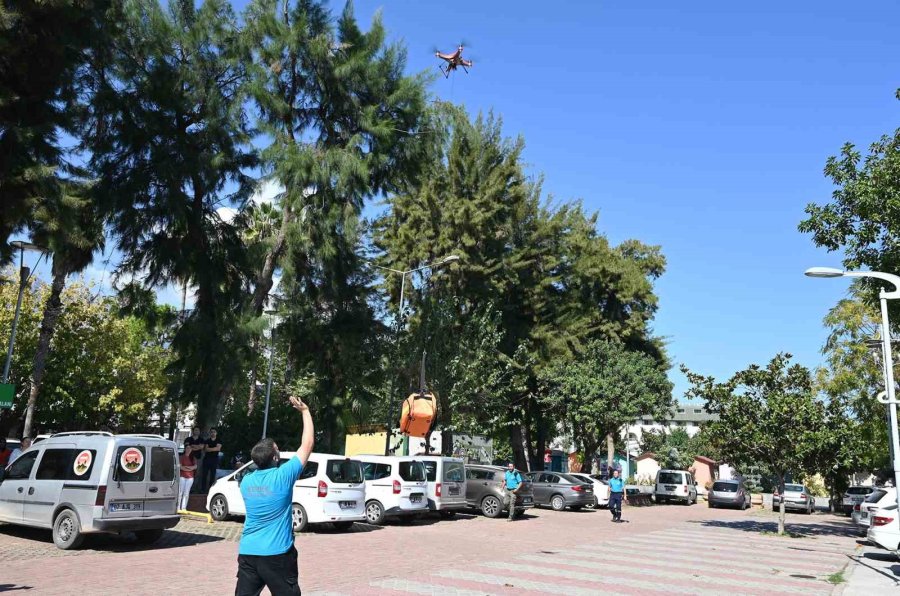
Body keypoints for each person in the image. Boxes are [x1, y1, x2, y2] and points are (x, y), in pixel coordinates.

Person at [236, 396, 313, 596]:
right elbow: (307, 444)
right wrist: (305, 411)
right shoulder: (283, 476)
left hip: (248, 552)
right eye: (277, 449)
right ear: (275, 457)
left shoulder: (246, 482)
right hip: (277, 554)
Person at [201, 428, 222, 492]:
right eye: (211, 432)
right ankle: (203, 489)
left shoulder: (219, 440)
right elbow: (206, 449)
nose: (213, 433)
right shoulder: (207, 441)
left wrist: (210, 449)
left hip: (214, 460)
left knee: (213, 475)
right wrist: (214, 448)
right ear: (210, 433)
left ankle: (211, 489)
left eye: (214, 432)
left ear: (216, 433)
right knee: (204, 475)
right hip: (206, 459)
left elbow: (218, 449)